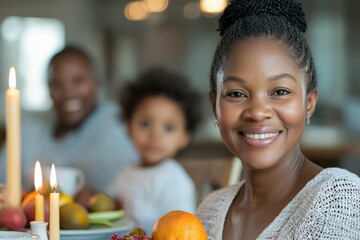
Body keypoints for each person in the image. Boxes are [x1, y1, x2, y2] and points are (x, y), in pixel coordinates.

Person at [196, 0, 360, 239]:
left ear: (309, 103)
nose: (257, 111)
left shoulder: (339, 200)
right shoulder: (208, 211)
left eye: (280, 92)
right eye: (236, 94)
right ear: (215, 106)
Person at [0, 46, 138, 197]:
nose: (68, 93)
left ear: (97, 81)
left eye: (78, 81)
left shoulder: (121, 124)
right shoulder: (29, 130)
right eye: (57, 84)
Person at [106, 68, 202, 234]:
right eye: (145, 124)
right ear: (129, 127)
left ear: (184, 137)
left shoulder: (175, 180)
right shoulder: (126, 173)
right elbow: (108, 206)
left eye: (168, 128)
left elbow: (182, 232)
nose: (154, 135)